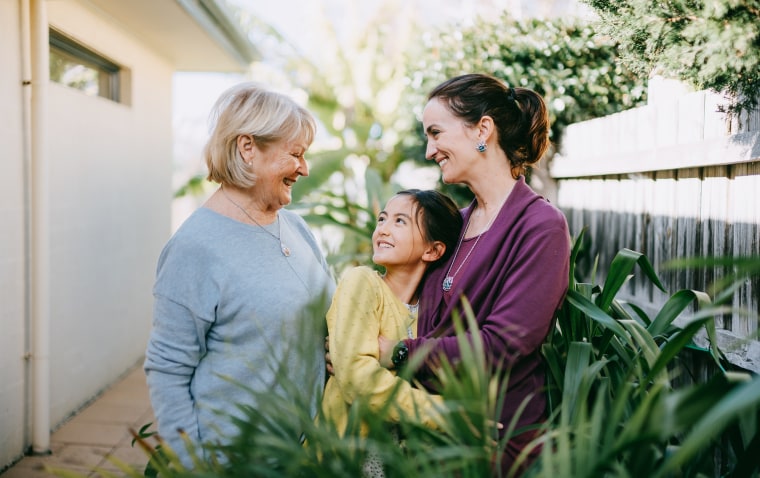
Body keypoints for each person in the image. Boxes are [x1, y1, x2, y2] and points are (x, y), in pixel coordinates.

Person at [378, 73, 571, 475]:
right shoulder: (453, 225)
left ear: (483, 129)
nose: (430, 150)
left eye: (436, 133)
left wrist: (396, 353)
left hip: (495, 444)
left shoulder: (539, 226)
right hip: (432, 439)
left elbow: (503, 345)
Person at [144, 82, 335, 468]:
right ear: (248, 148)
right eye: (295, 154)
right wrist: (193, 466)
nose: (304, 168)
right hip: (238, 459)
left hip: (306, 452)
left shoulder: (295, 227)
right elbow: (167, 369)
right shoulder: (195, 247)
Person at [321, 189, 462, 477]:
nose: (382, 229)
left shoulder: (432, 312)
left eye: (400, 222)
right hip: (350, 459)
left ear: (433, 250)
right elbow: (358, 378)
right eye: (382, 219)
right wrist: (444, 414)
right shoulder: (362, 282)